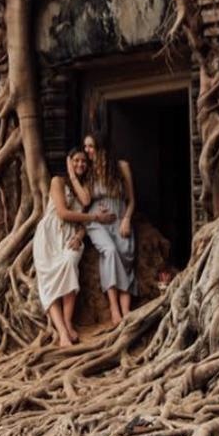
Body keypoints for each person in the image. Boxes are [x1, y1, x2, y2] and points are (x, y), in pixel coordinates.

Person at [32, 148, 116, 347]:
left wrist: (80, 235)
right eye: (76, 160)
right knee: (48, 283)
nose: (80, 165)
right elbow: (62, 213)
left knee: (70, 263)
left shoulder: (85, 188)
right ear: (69, 161)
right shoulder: (57, 181)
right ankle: (62, 333)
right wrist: (96, 217)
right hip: (49, 237)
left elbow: (85, 204)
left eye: (84, 162)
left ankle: (68, 323)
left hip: (72, 237)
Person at [83, 132, 137, 325]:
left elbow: (131, 200)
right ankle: (114, 308)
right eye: (86, 147)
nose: (87, 150)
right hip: (97, 222)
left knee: (125, 254)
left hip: (120, 218)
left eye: (90, 146)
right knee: (110, 251)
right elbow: (85, 200)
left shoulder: (122, 167)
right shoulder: (88, 171)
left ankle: (126, 309)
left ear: (100, 146)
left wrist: (126, 219)